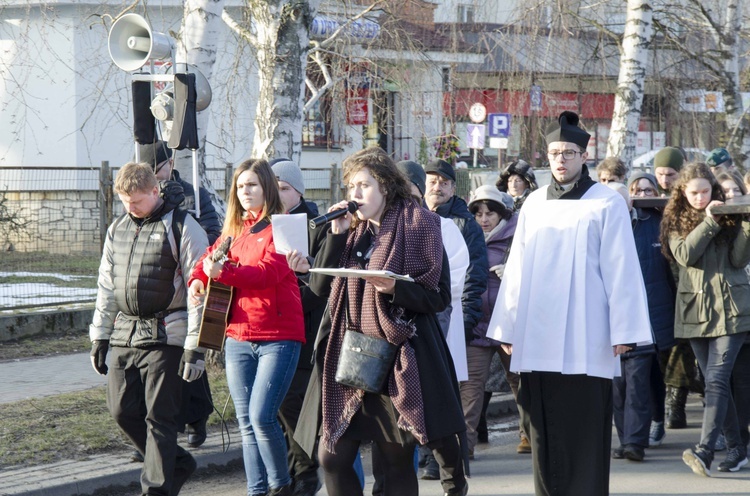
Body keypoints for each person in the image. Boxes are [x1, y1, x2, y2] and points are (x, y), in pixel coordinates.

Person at [487, 111, 653, 496]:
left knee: (585, 424)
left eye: (569, 152)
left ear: (583, 156)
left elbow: (622, 269)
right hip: (538, 335)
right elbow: (516, 270)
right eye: (554, 152)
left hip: (587, 333)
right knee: (544, 427)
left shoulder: (605, 203)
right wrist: (506, 327)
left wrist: (625, 329)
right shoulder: (533, 205)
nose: (560, 159)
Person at [295, 147, 468, 496]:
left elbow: (438, 297)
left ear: (386, 187)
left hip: (400, 356)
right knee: (332, 457)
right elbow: (317, 290)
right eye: (351, 187)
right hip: (351, 354)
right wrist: (337, 234)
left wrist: (394, 289)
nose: (355, 195)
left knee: (395, 458)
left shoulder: (421, 224)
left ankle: (455, 477)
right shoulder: (350, 232)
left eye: (364, 185)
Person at [89, 161, 209, 495]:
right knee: (121, 411)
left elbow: (201, 290)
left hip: (167, 334)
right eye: (125, 201)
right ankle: (177, 463)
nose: (131, 208)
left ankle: (156, 489)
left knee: (160, 420)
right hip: (125, 333)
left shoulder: (184, 227)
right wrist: (99, 336)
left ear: (155, 191)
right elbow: (106, 286)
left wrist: (194, 346)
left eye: (137, 201)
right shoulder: (118, 228)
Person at [189, 158, 305, 496]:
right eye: (240, 186)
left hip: (278, 337)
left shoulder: (282, 227)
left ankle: (280, 486)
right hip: (238, 336)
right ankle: (256, 490)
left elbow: (268, 273)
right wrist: (199, 279)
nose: (245, 192)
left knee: (261, 417)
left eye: (251, 185)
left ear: (267, 186)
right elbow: (206, 259)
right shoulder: (234, 230)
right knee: (245, 423)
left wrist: (223, 273)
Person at [660, 162, 750, 476]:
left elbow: (739, 259)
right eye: (694, 192)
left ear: (713, 189)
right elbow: (685, 255)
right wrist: (709, 221)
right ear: (682, 192)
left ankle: (705, 450)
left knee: (716, 379)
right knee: (714, 383)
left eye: (705, 191)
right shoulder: (674, 220)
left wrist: (747, 224)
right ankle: (737, 449)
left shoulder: (730, 215)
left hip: (732, 310)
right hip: (695, 312)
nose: (700, 197)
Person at [138, 140, 220, 451]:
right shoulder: (142, 198)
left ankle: (196, 420)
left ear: (169, 165)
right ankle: (154, 430)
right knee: (156, 367)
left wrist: (190, 243)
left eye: (159, 170)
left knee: (190, 354)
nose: (157, 178)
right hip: (154, 287)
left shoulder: (191, 192)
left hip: (188, 282)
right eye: (151, 172)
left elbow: (212, 230)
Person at [422, 158, 487, 481]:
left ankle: (444, 459)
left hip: (452, 316)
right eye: (431, 180)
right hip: (420, 313)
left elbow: (475, 275)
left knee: (446, 389)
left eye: (443, 182)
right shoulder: (411, 217)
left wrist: (466, 321)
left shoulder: (464, 223)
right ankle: (425, 452)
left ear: (452, 187)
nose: (437, 186)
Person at [607, 182, 676, 462]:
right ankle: (626, 440)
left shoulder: (653, 224)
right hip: (610, 322)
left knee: (637, 384)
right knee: (618, 387)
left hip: (644, 321)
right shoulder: (597, 229)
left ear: (630, 204)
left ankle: (635, 441)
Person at [271, 159, 327, 496]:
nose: (278, 195)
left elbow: (322, 281)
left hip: (304, 327)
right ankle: (291, 471)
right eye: (273, 189)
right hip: (271, 326)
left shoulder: (316, 225)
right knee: (276, 405)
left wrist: (302, 275)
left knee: (294, 404)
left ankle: (306, 471)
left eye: (284, 189)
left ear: (299, 191)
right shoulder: (266, 223)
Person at [465, 185, 525, 455]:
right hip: (477, 325)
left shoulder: (518, 238)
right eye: (478, 213)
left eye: (490, 213)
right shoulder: (467, 237)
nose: (484, 219)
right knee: (470, 387)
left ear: (502, 214)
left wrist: (513, 274)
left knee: (521, 382)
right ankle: (462, 450)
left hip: (508, 325)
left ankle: (531, 438)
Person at [652, 146, 699, 430]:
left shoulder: (688, 202)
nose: (665, 179)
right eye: (660, 173)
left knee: (682, 346)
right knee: (663, 347)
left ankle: (676, 405)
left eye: (671, 174)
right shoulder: (649, 199)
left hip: (686, 281)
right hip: (660, 282)